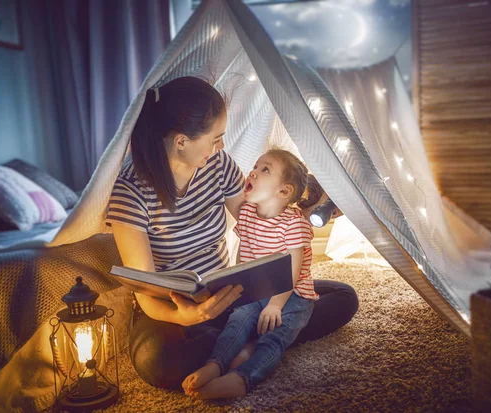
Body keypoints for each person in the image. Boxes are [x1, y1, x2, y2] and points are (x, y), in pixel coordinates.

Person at [105, 76, 359, 389]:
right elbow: (144, 290)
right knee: (155, 362)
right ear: (181, 141)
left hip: (231, 293)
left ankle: (239, 344)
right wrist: (188, 317)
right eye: (215, 138)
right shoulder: (129, 193)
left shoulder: (217, 165)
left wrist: (297, 212)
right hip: (172, 309)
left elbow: (256, 219)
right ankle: (255, 343)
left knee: (343, 296)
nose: (221, 146)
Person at [182, 149, 322, 399]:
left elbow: (292, 272)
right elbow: (243, 256)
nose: (254, 171)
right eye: (256, 166)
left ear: (284, 191)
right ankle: (215, 365)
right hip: (257, 290)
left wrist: (275, 306)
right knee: (237, 321)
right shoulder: (247, 214)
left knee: (275, 337)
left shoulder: (294, 224)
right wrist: (238, 288)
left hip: (292, 296)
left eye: (265, 169)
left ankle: (242, 378)